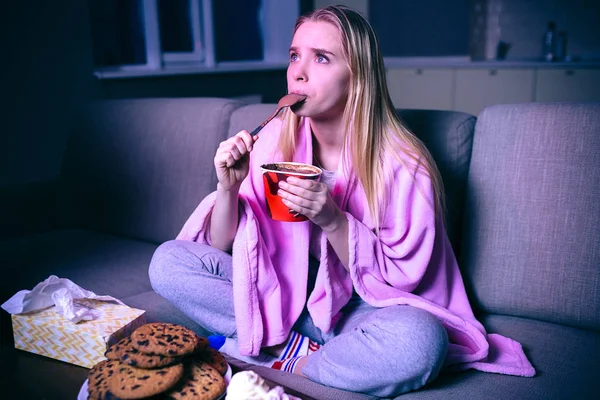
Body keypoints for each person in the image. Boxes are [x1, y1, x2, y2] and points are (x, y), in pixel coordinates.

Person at [149, 5, 535, 397]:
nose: (298, 71)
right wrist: (228, 187)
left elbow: (400, 282)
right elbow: (223, 247)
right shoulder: (274, 139)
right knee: (168, 261)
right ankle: (287, 339)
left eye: (321, 58)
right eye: (295, 55)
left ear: (357, 78)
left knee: (421, 341)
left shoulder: (404, 163)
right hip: (280, 296)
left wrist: (332, 218)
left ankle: (296, 360)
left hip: (364, 313)